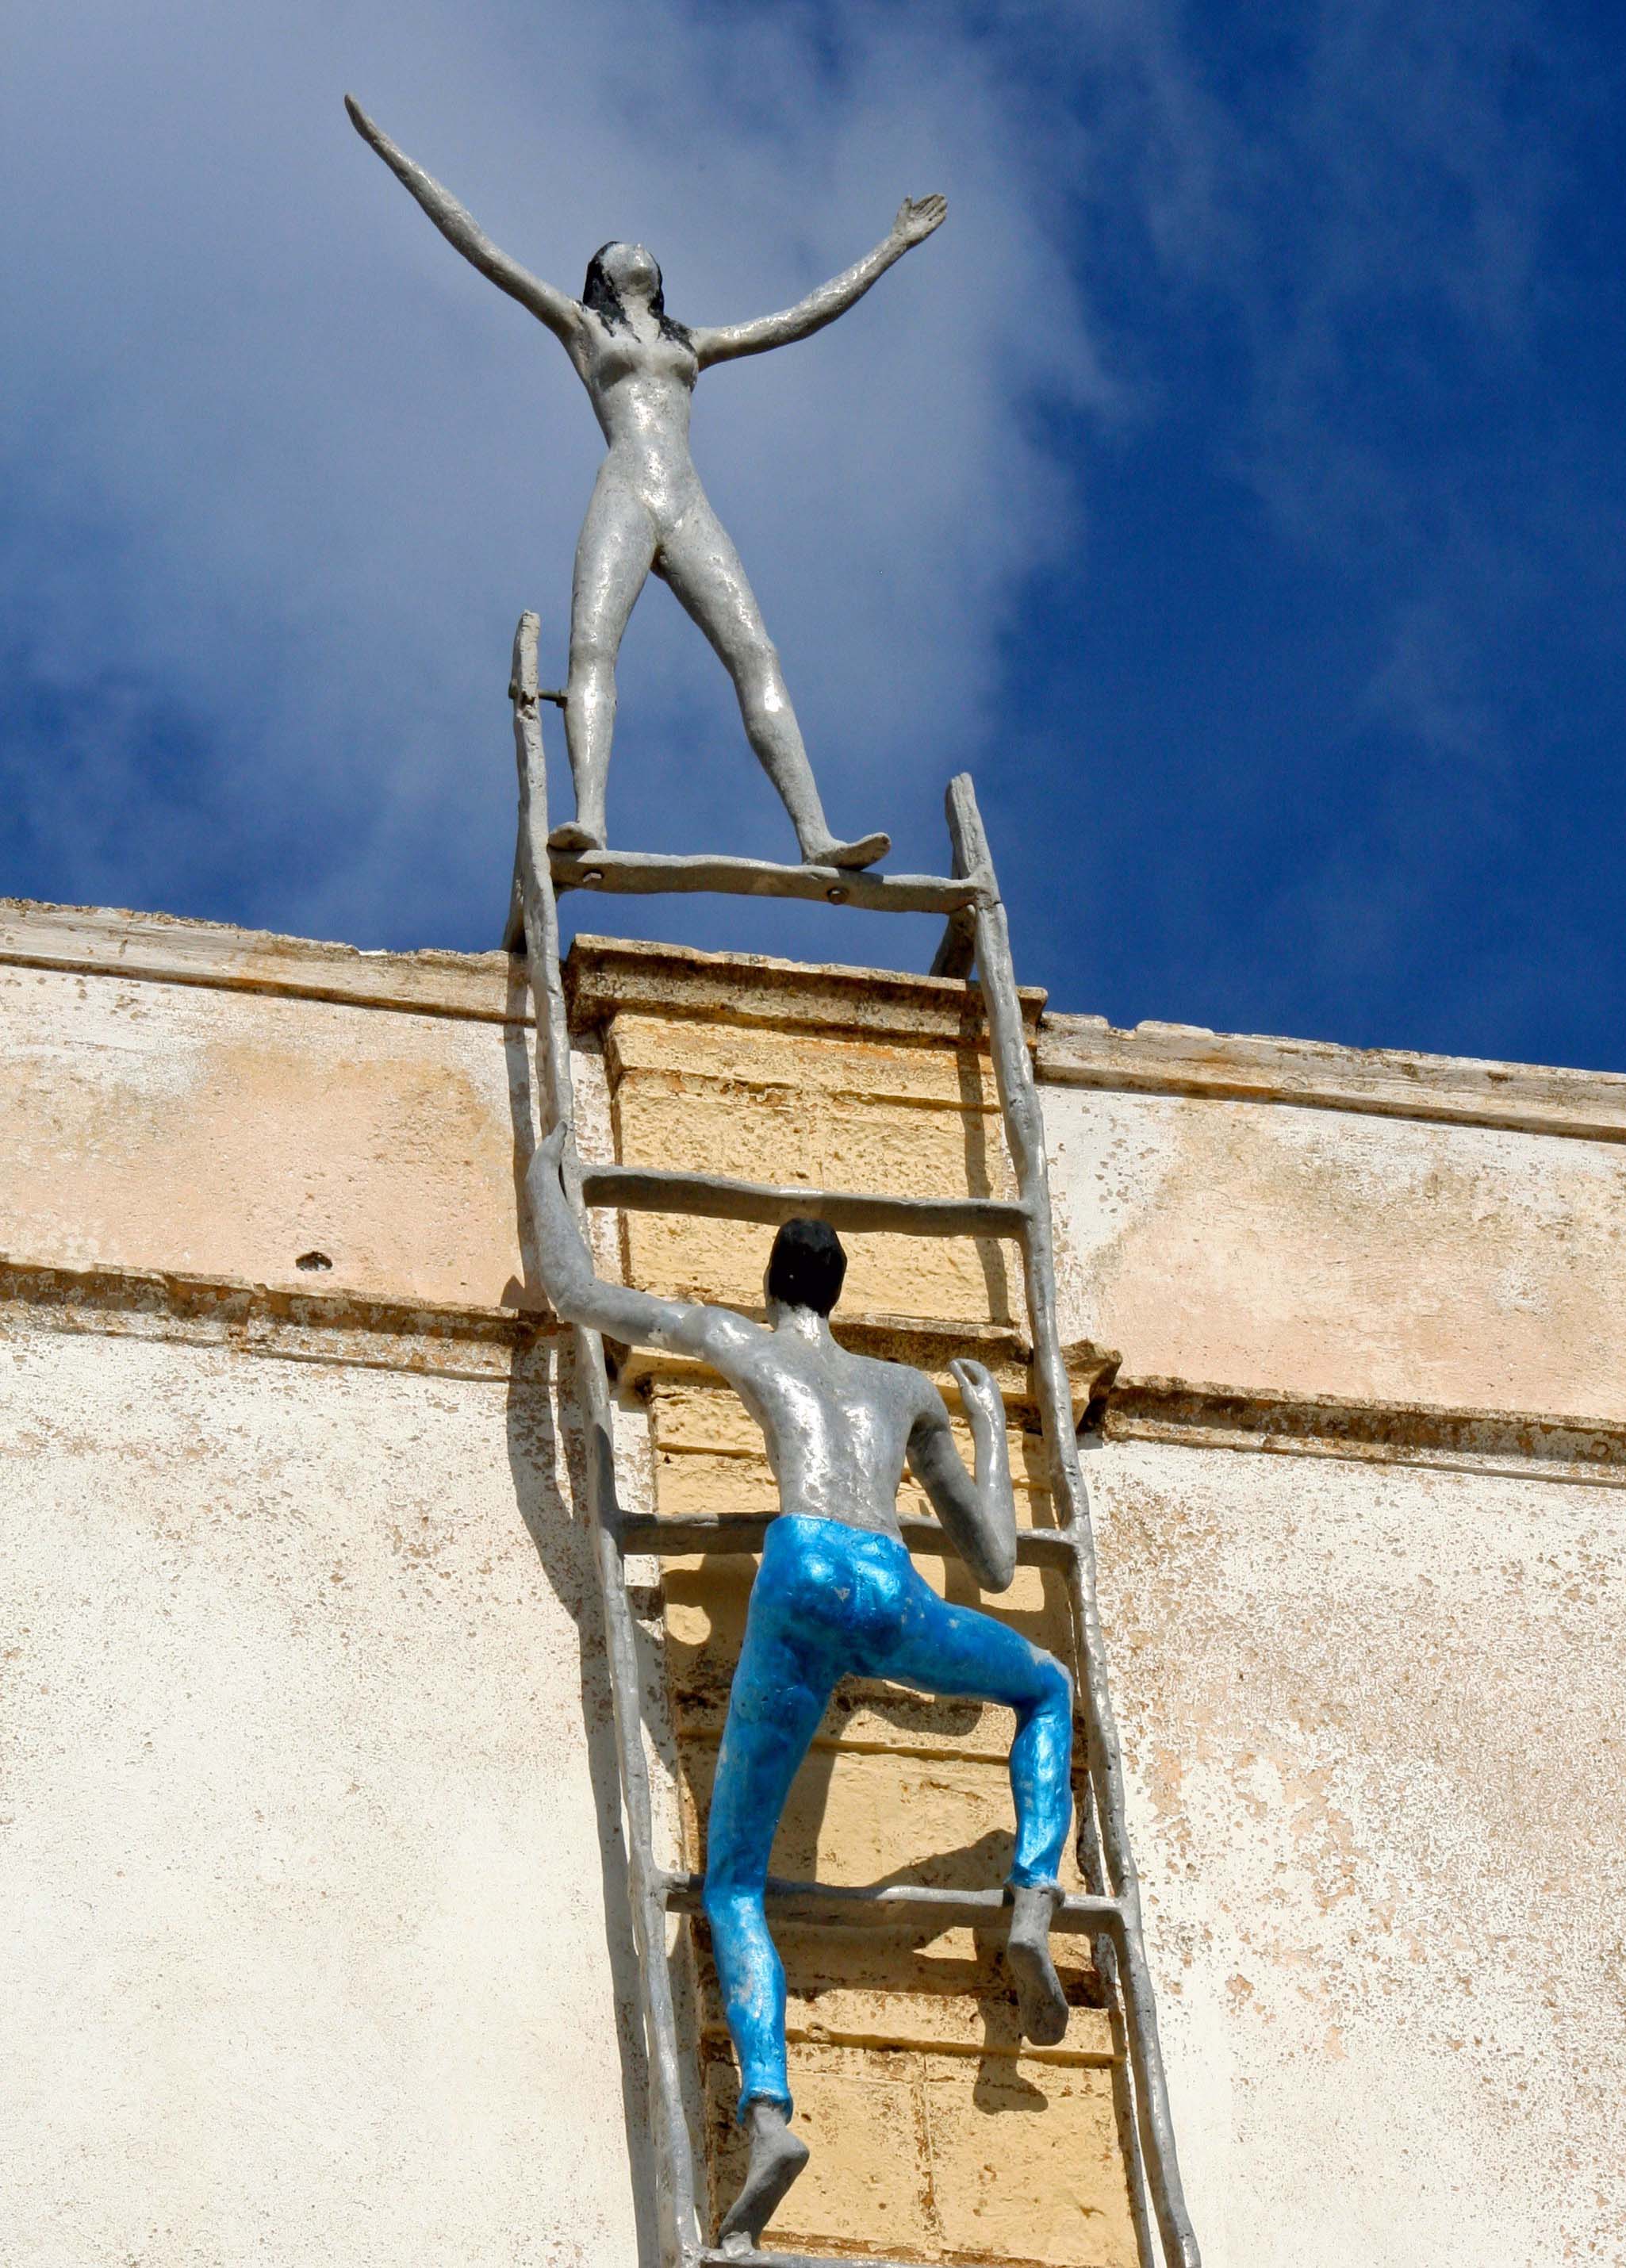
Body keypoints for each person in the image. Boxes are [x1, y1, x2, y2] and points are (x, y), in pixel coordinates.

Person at [525, 1127, 1073, 2254]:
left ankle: (770, 2115)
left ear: (774, 1286)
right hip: (890, 1587)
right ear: (839, 1290)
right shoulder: (902, 1388)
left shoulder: (744, 1339)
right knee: (1045, 1687)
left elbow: (575, 1290)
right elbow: (997, 1561)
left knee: (735, 1880)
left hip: (800, 1572)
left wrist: (545, 1175)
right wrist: (984, 1423)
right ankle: (1032, 1898)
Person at [346, 96, 945, 869]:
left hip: (686, 500)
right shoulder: (583, 327)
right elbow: (481, 246)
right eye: (617, 247)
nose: (635, 245)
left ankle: (815, 834)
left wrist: (891, 247)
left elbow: (802, 316)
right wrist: (392, 152)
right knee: (593, 648)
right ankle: (591, 818)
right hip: (627, 487)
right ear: (601, 274)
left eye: (644, 247)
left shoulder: (694, 341)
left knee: (756, 653)